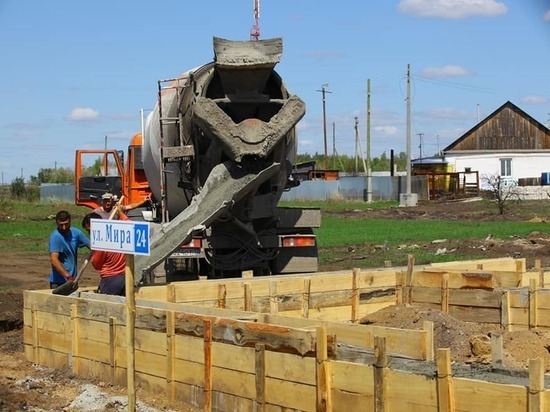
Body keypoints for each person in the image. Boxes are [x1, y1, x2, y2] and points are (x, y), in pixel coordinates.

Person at [81, 204, 129, 296]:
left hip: (110, 279)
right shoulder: (118, 232)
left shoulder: (100, 241)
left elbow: (97, 264)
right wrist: (122, 214)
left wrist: (94, 255)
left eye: (89, 230)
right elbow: (129, 224)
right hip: (125, 277)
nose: (89, 234)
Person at [48, 210, 90, 289]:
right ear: (57, 223)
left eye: (66, 224)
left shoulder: (76, 233)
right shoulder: (55, 237)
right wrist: (67, 275)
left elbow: (92, 246)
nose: (64, 227)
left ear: (70, 221)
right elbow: (54, 260)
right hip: (58, 282)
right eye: (61, 225)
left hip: (72, 280)